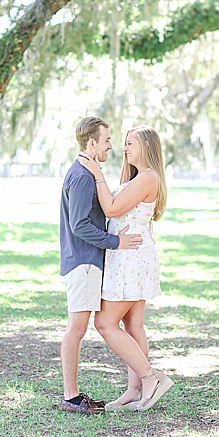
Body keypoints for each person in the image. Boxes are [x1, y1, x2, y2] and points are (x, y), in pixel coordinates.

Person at [77, 125, 173, 412]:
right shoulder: (138, 177)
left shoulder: (148, 177)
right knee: (133, 325)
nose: (124, 148)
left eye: (130, 143)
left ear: (145, 146)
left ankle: (150, 378)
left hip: (132, 259)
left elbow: (112, 208)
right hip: (129, 256)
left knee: (105, 323)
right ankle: (135, 389)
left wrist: (97, 174)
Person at [59, 116, 144, 415]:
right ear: (92, 143)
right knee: (77, 329)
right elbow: (80, 224)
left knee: (79, 328)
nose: (112, 146)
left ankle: (74, 394)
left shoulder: (85, 172)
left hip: (87, 262)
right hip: (83, 263)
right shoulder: (82, 176)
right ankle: (70, 396)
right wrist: (115, 242)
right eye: (107, 141)